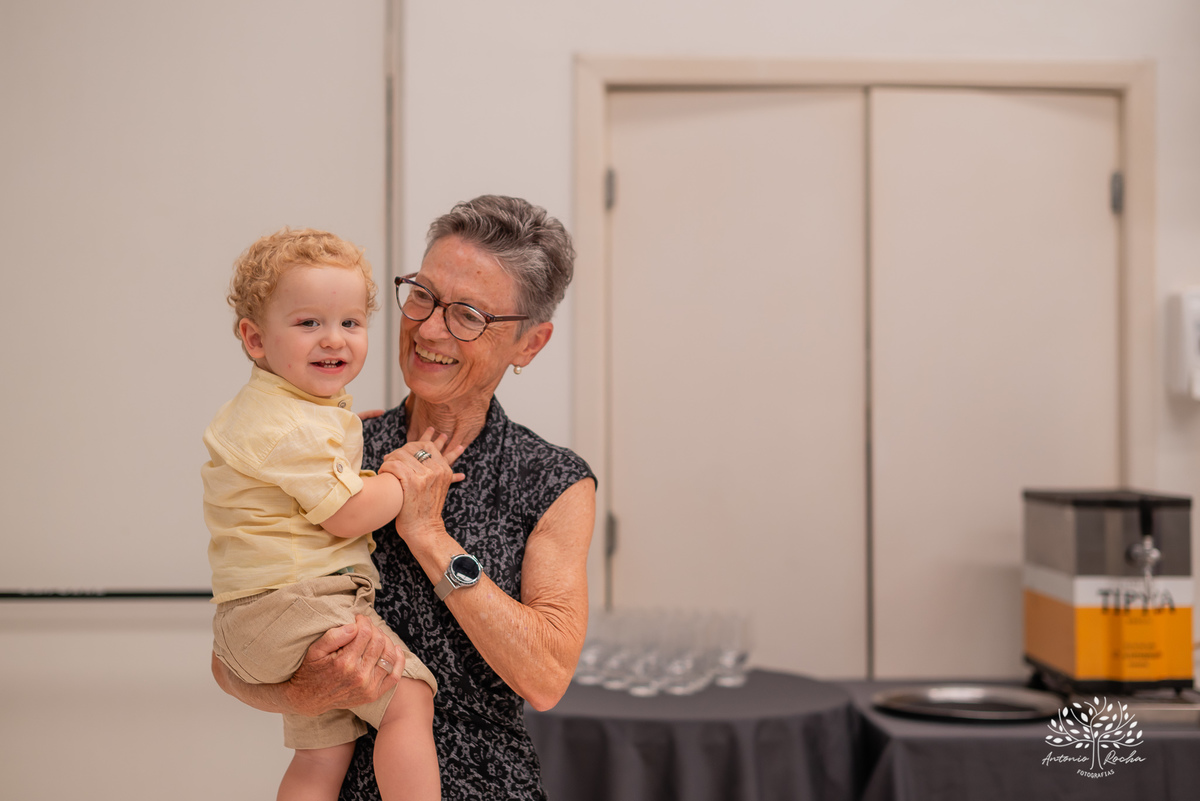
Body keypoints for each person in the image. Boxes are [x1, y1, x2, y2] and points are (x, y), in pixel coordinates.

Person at [212, 196, 597, 800]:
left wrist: (429, 535)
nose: (430, 328)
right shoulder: (338, 447)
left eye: (468, 315)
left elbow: (546, 677)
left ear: (529, 344)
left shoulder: (551, 480)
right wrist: (302, 691)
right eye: (423, 295)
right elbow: (231, 654)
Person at [202, 228, 452, 801]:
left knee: (323, 752)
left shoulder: (283, 410)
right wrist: (405, 476)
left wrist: (348, 440)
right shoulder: (292, 425)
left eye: (350, 322)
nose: (333, 338)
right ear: (255, 338)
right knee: (409, 699)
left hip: (257, 617)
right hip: (295, 603)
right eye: (309, 322)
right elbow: (347, 514)